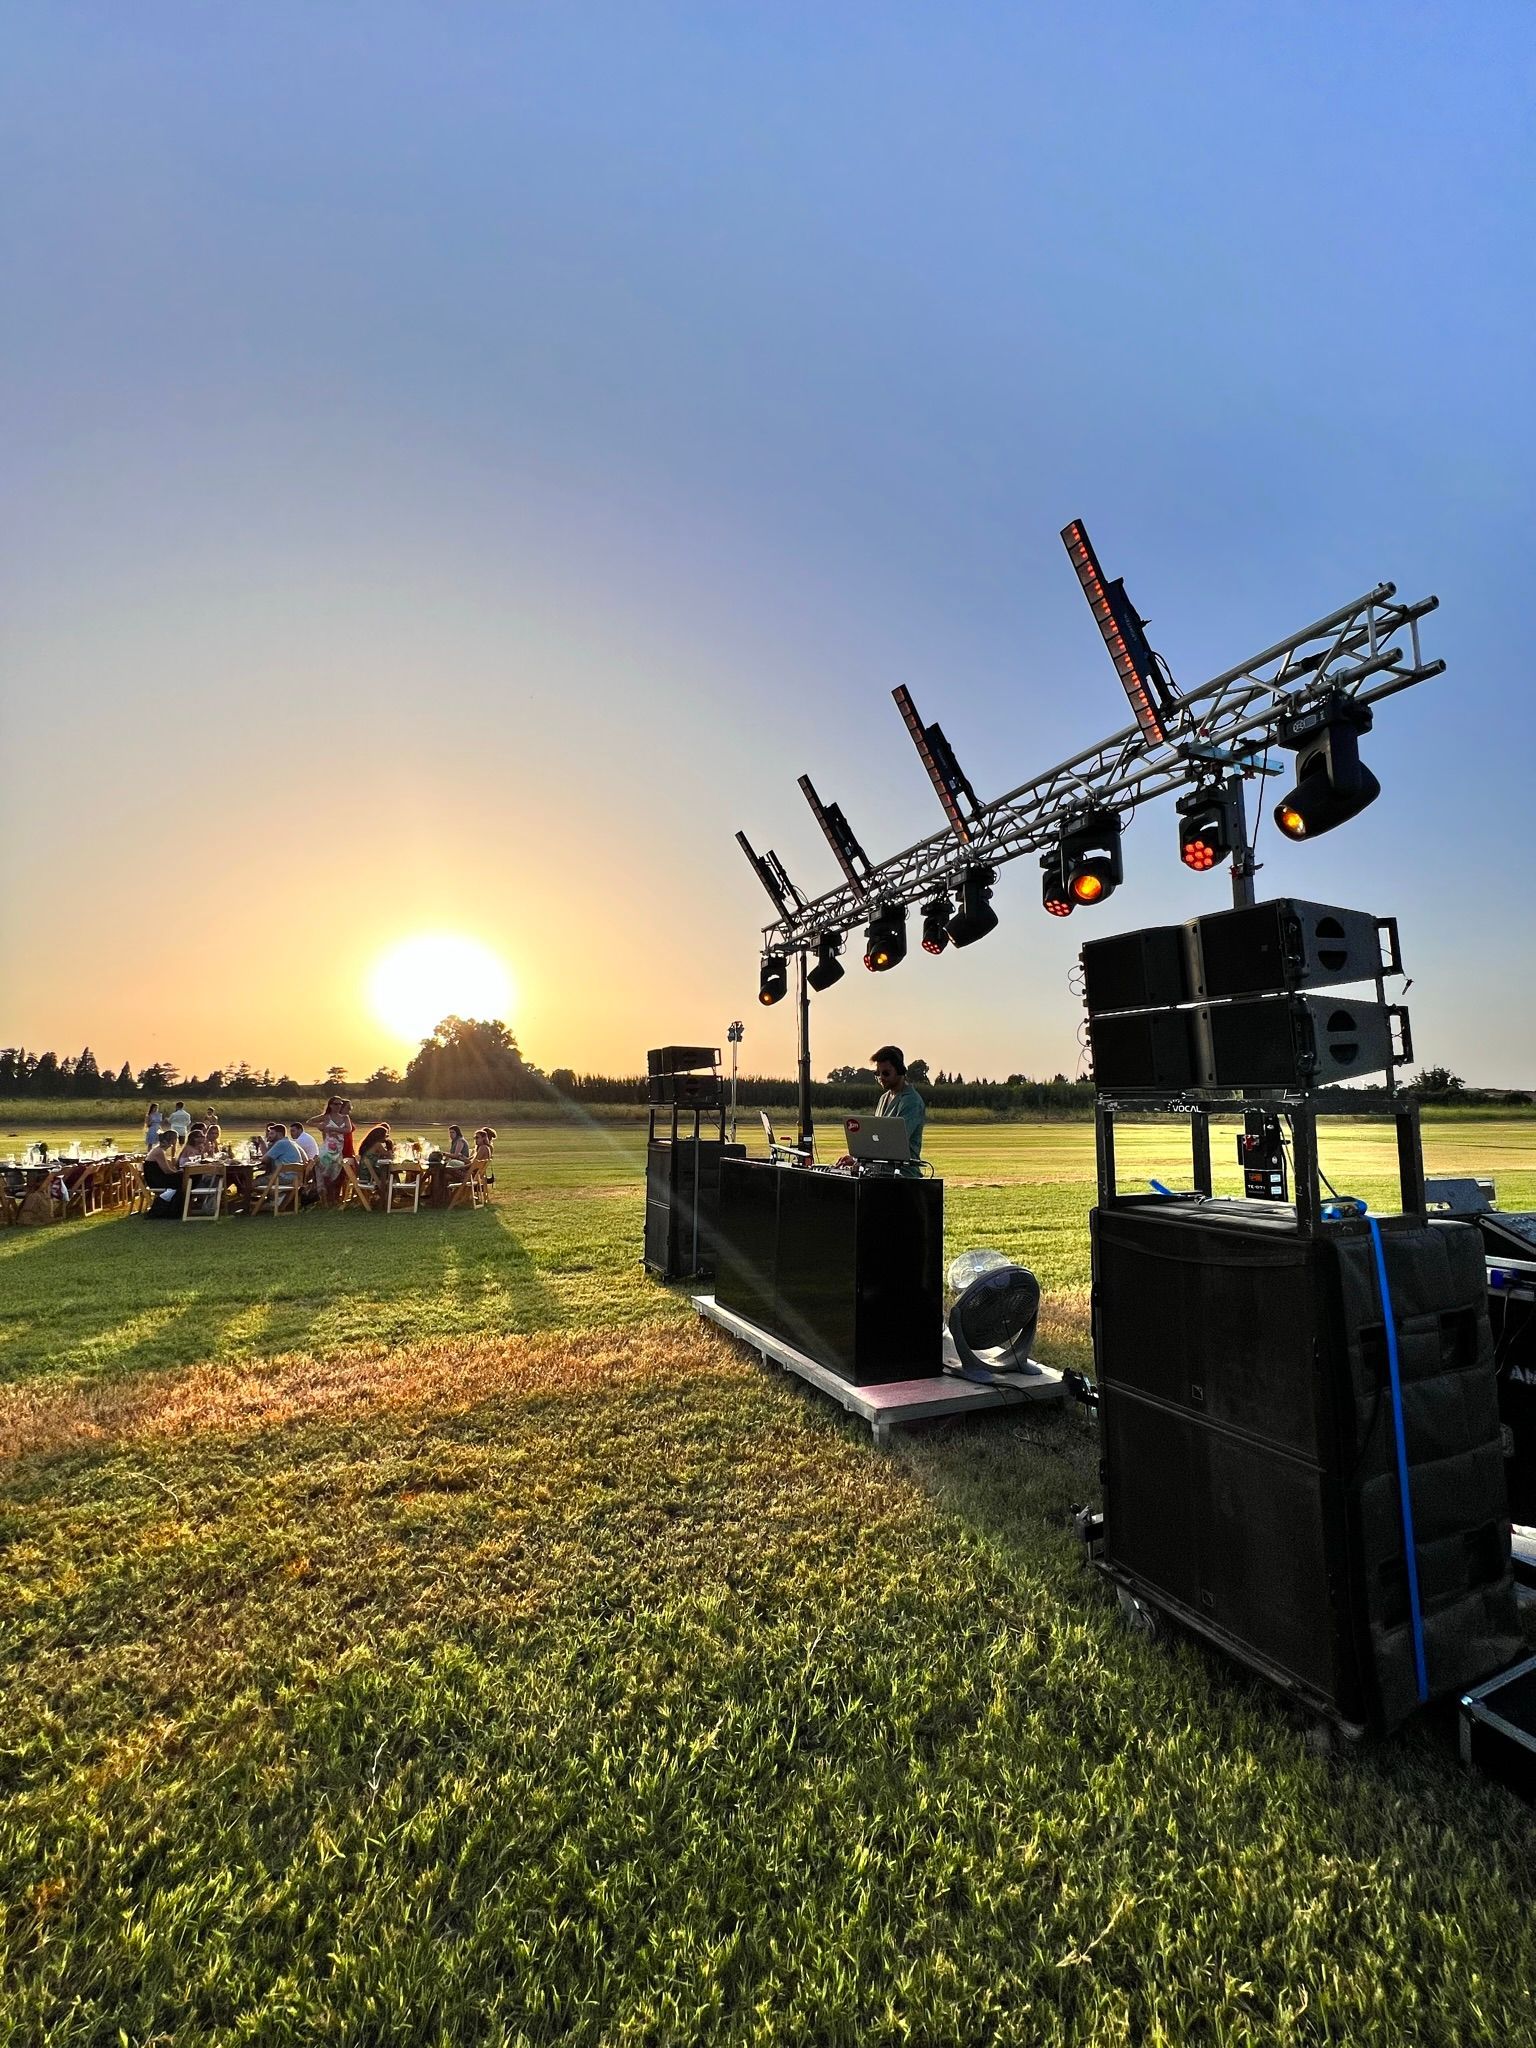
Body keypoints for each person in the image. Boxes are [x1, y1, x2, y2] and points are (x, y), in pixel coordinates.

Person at [142, 1128, 183, 1220]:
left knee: (181, 1178)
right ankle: (173, 1207)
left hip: (157, 1178)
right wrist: (178, 1172)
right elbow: (167, 1171)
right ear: (172, 1140)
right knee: (182, 1179)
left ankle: (176, 1206)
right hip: (156, 1181)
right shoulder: (159, 1151)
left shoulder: (160, 1150)